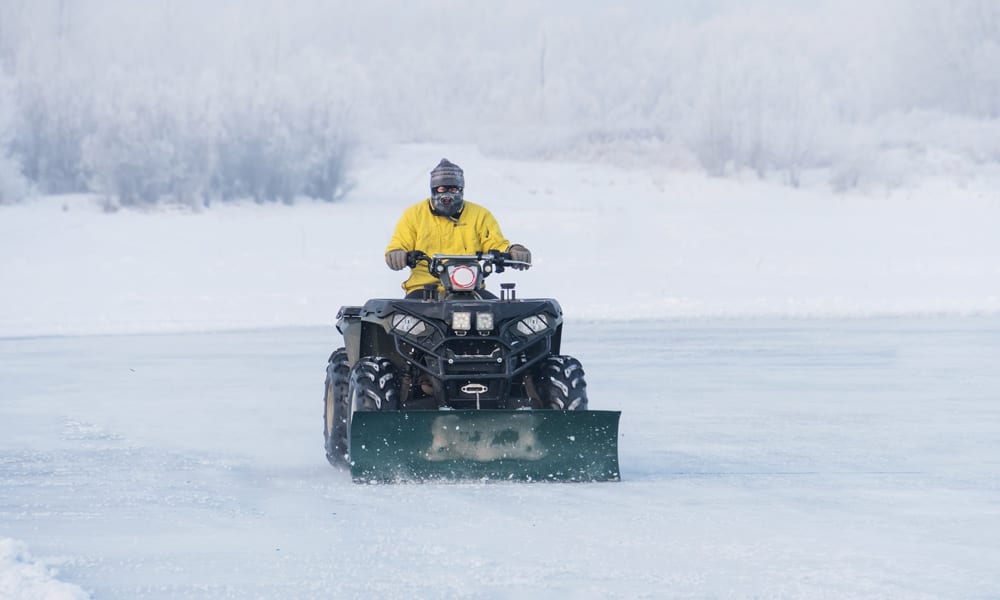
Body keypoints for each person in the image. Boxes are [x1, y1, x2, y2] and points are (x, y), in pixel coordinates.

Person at [385, 158, 532, 297]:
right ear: (433, 190)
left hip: (471, 287)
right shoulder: (414, 215)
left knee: (500, 316)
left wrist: (512, 251)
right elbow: (400, 242)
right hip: (425, 287)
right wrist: (397, 253)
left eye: (454, 190)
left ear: (462, 190)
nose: (447, 196)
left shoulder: (480, 215)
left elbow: (495, 243)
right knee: (405, 320)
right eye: (442, 189)